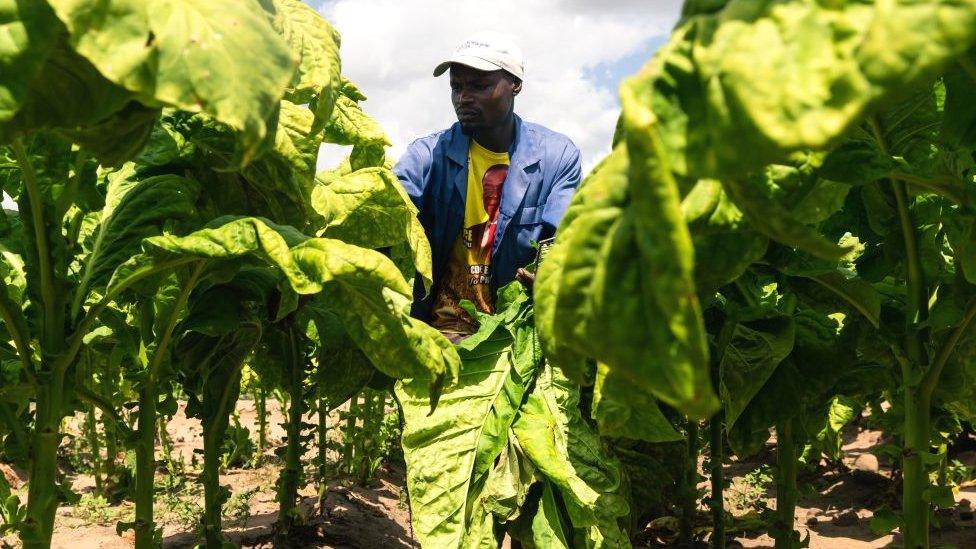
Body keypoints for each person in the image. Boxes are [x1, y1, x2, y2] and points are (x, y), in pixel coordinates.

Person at [394, 31, 582, 342]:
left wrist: (552, 277)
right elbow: (389, 205)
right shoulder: (427, 155)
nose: (464, 98)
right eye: (457, 87)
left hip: (515, 335)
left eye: (479, 86)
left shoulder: (556, 156)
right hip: (442, 334)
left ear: (515, 85)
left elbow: (561, 236)